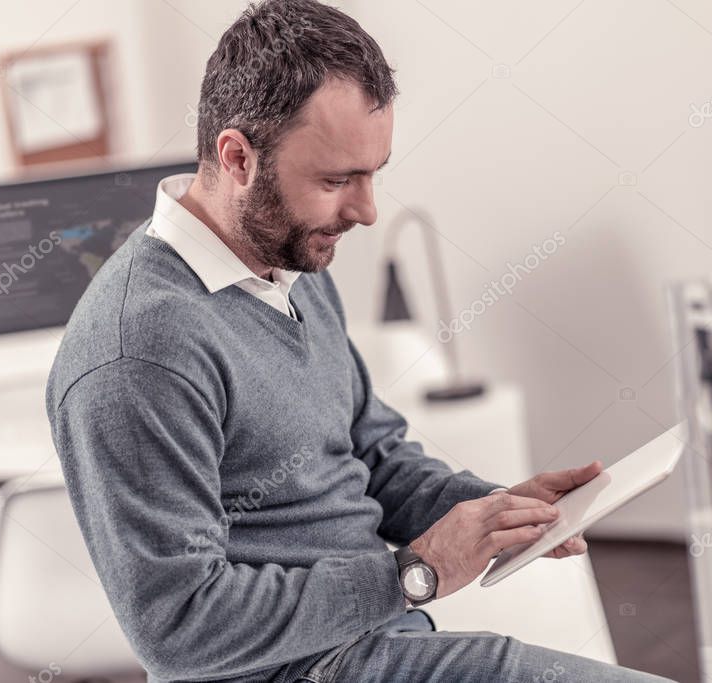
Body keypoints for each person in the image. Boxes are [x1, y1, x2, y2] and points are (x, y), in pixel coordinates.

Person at [45, 1, 674, 681]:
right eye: (335, 180)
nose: (366, 211)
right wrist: (417, 572)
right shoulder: (138, 352)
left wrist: (493, 510)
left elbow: (371, 454)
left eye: (372, 173)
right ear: (237, 158)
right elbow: (179, 626)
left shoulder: (287, 260)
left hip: (378, 640)